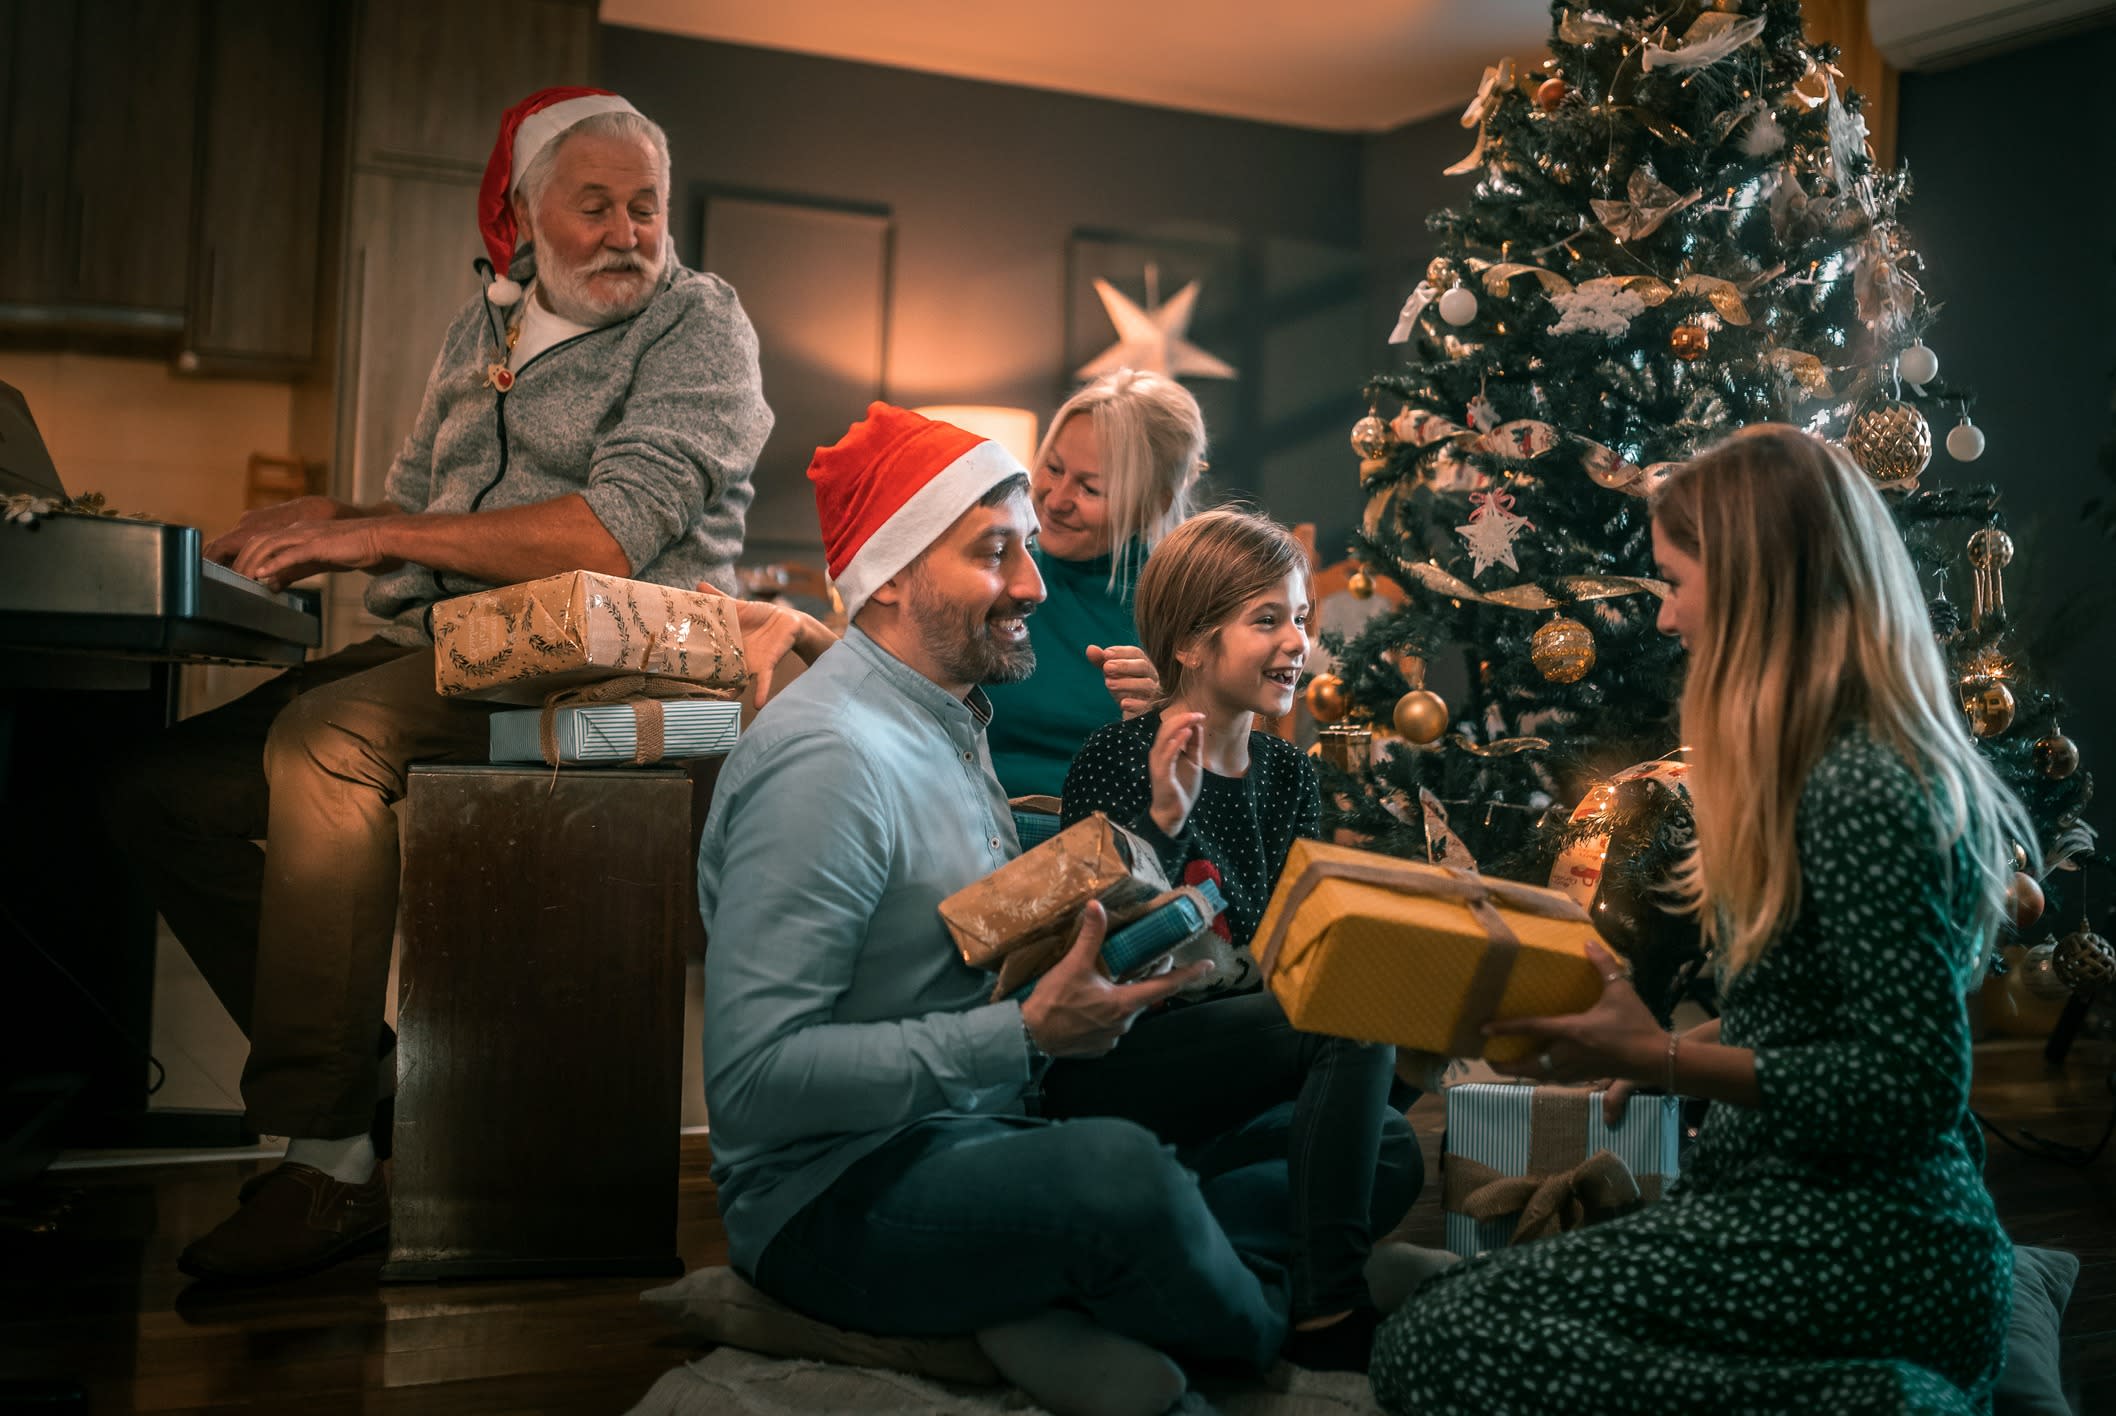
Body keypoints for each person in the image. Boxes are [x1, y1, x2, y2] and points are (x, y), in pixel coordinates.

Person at [100, 87, 772, 1283]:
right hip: (456, 651)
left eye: (648, 207)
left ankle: (325, 1159)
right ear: (522, 213)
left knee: (327, 738)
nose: (629, 231)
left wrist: (372, 538)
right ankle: (382, 1090)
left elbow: (611, 535)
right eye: (597, 205)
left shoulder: (697, 326)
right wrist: (341, 518)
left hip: (610, 659)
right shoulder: (484, 332)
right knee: (161, 788)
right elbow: (422, 502)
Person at [702, 404, 1354, 1416]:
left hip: (985, 1122)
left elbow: (987, 928)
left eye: (1028, 551)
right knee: (1121, 1175)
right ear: (896, 574)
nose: (1034, 587)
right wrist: (1021, 1034)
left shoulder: (943, 720)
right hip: (837, 1196)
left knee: (1363, 1144)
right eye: (996, 554)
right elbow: (751, 1086)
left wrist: (1143, 863)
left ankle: (1050, 1307)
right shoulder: (828, 762)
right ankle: (1274, 1324)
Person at [1369, 425, 2034, 1413]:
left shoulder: (1857, 783)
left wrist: (1666, 1061)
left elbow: (1913, 1085)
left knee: (1435, 1345)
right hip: (1775, 1203)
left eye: (1676, 583)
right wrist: (1645, 1042)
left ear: (1756, 587)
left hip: (1866, 1241)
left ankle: (1887, 1401)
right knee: (1452, 1319)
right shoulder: (1817, 763)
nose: (1667, 618)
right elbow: (1825, 1008)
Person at [1051, 508, 1416, 1372]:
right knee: (1350, 1032)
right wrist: (1167, 822)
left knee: (1392, 1148)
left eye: (1301, 619)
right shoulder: (1113, 758)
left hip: (1234, 1063)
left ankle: (1194, 1242)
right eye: (1268, 620)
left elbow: (1286, 952)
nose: (1297, 642)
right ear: (1188, 643)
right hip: (1125, 1053)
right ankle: (1326, 1303)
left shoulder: (1290, 775)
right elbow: (1105, 956)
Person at [983, 369, 1206, 798]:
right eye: (1053, 468)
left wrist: (1170, 714)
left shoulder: (1184, 610)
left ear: (1154, 505)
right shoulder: (986, 573)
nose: (1055, 498)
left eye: (1089, 488)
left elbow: (1217, 778)